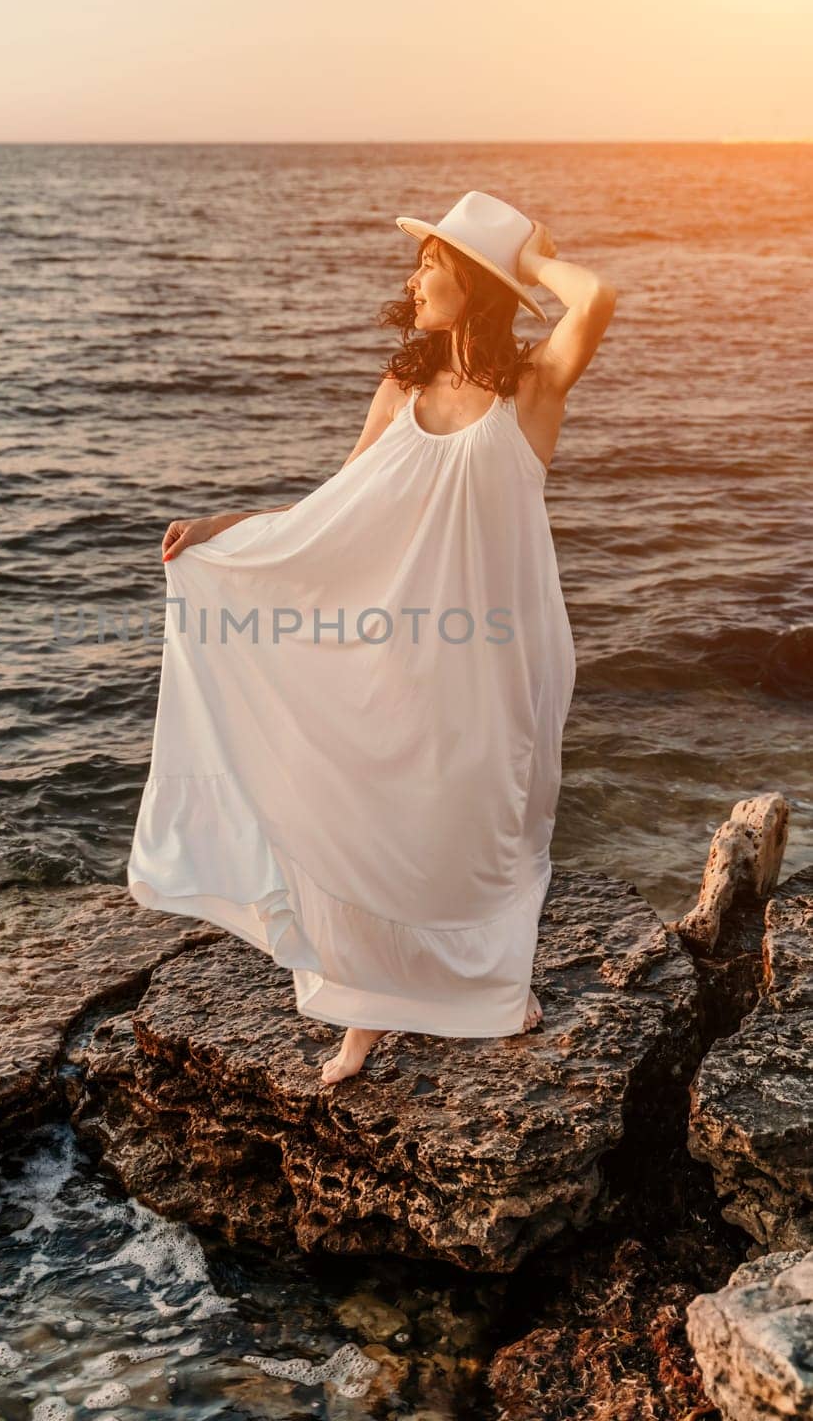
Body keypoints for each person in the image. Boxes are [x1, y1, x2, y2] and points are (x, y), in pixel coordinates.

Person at [127, 191, 617, 1085]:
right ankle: (361, 1015)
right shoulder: (399, 389)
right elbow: (330, 511)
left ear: (472, 283)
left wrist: (533, 258)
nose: (412, 278)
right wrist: (224, 530)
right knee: (379, 814)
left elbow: (596, 299)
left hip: (496, 652)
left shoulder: (533, 390)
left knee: (483, 824)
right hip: (399, 647)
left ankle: (496, 989)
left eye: (430, 263)